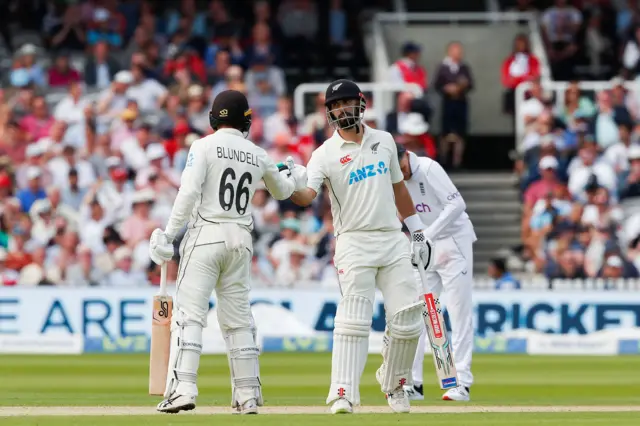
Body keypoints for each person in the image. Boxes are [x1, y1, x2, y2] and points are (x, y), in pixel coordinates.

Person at [148, 90, 307, 415]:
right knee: (237, 321)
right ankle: (248, 394)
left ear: (213, 118)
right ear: (245, 119)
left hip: (206, 235)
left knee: (189, 315)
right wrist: (294, 176)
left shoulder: (203, 146)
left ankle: (183, 389)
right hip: (240, 240)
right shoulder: (257, 152)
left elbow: (189, 192)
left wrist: (168, 234)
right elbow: (282, 191)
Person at [289, 79, 433, 414]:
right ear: (328, 112)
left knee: (409, 316)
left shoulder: (384, 141)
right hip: (353, 241)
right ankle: (342, 392)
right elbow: (306, 196)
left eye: (346, 103)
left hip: (391, 238)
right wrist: (289, 186)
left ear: (360, 103)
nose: (341, 110)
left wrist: (417, 231)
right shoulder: (323, 155)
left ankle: (395, 382)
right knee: (353, 318)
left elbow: (399, 188)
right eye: (334, 106)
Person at [396, 144, 476, 402]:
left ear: (406, 156)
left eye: (402, 167)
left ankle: (461, 382)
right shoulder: (394, 177)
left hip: (454, 243)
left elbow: (457, 205)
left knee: (457, 310)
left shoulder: (429, 168)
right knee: (419, 312)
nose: (401, 174)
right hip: (427, 246)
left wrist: (425, 235)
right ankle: (414, 383)